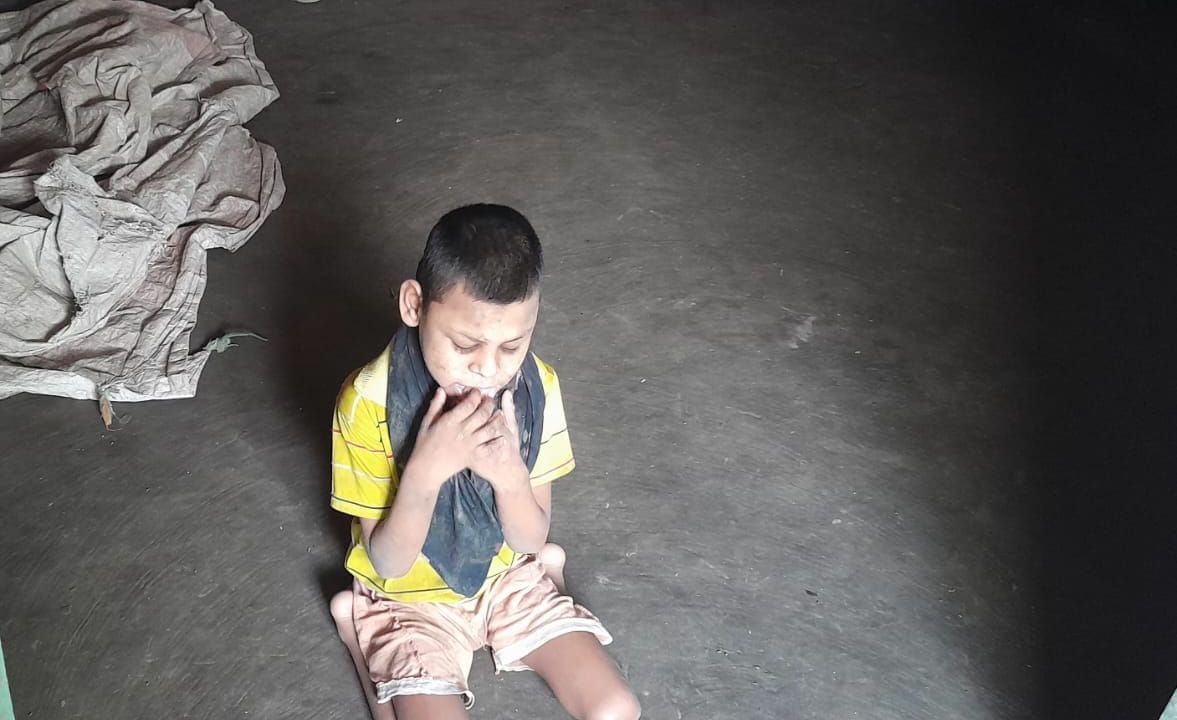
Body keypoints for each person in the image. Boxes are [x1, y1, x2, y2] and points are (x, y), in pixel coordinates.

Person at [327, 204, 641, 720]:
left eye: (512, 346)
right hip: (409, 601)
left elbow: (529, 539)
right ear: (414, 304)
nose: (488, 370)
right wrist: (425, 472)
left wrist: (509, 476)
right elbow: (388, 562)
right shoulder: (367, 401)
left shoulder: (536, 388)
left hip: (507, 581)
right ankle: (363, 629)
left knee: (616, 709)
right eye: (465, 344)